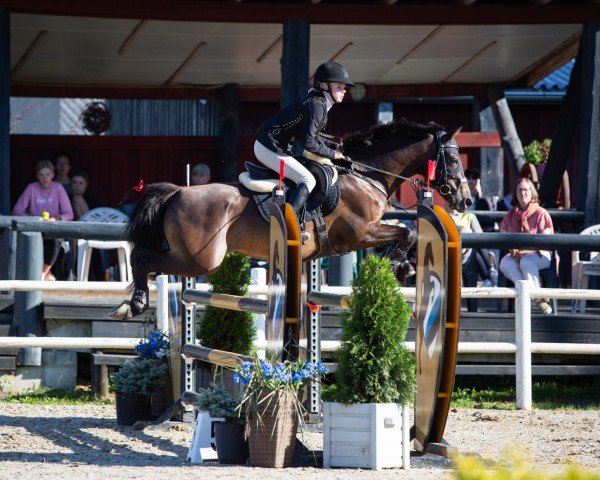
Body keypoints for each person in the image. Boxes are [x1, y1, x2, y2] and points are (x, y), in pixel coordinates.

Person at [254, 61, 354, 241]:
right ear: (324, 86)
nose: (344, 90)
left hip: (278, 147)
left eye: (344, 87)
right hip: (268, 146)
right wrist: (332, 154)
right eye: (339, 86)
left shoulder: (319, 101)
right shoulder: (316, 105)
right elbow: (308, 142)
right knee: (306, 178)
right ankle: (287, 224)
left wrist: (335, 148)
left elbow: (312, 136)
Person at [499, 177, 554, 315]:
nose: (523, 193)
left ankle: (532, 299)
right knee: (505, 263)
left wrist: (527, 250)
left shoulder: (541, 213)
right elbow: (503, 233)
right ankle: (538, 297)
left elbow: (547, 237)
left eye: (526, 189)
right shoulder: (511, 214)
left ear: (532, 192)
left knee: (526, 262)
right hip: (517, 255)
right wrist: (513, 247)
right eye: (520, 190)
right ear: (515, 193)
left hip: (540, 254)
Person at [12, 159, 74, 280]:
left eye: (47, 174)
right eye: (41, 174)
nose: (45, 177)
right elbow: (16, 210)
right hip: (35, 227)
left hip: (53, 227)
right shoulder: (31, 188)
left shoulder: (58, 188)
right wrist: (32, 218)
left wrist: (56, 218)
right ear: (37, 176)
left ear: (53, 174)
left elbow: (69, 214)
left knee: (55, 240)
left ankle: (43, 273)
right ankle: (45, 273)